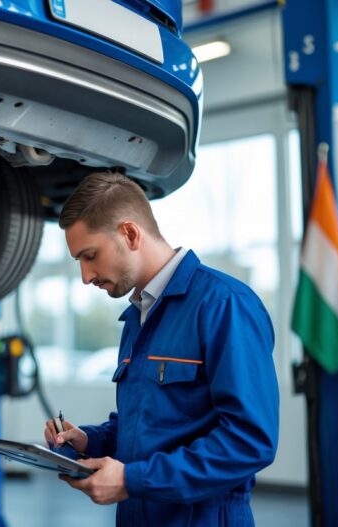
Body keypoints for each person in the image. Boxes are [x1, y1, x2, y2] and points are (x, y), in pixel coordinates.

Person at [43, 171, 279, 526]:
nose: (85, 276)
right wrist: (88, 441)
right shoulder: (138, 316)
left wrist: (131, 479)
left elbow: (249, 441)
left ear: (130, 233)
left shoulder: (223, 304)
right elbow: (150, 426)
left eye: (90, 255)